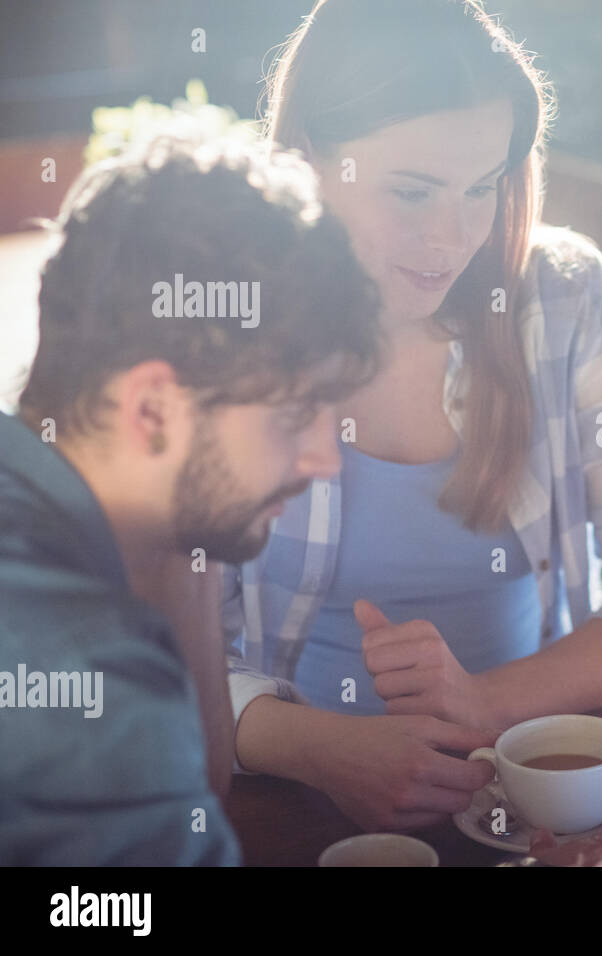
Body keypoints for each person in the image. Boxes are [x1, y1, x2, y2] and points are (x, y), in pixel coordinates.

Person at [221, 0, 602, 834]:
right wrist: (319, 747)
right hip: (288, 797)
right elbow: (151, 642)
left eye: (481, 188)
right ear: (306, 161)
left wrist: (484, 703)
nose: (450, 240)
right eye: (412, 192)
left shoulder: (565, 301)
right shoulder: (223, 320)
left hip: (527, 791)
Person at [0, 132, 389, 863]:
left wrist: (199, 525)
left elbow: (198, 799)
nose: (326, 460)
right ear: (151, 409)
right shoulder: (95, 686)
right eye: (290, 414)